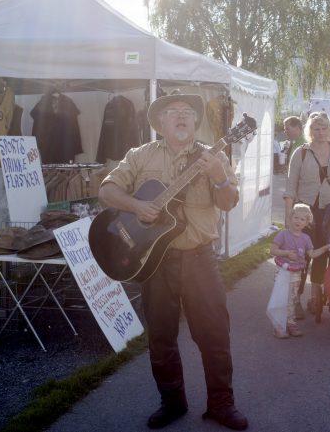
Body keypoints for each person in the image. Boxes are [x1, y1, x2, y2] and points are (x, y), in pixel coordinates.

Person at [98, 90, 248, 430]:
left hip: (199, 260)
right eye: (172, 111)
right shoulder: (140, 155)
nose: (180, 116)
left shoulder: (214, 157)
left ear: (195, 121)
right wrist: (137, 207)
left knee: (214, 336)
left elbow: (228, 202)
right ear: (161, 122)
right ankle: (172, 402)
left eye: (186, 111)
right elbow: (107, 190)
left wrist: (219, 177)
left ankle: (222, 404)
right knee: (161, 338)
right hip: (155, 262)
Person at [284, 111, 330, 315]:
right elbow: (290, 187)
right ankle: (295, 298)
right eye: (316, 128)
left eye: (324, 128)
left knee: (323, 254)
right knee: (301, 256)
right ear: (310, 131)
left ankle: (315, 298)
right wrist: (289, 218)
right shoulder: (301, 153)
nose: (321, 132)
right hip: (305, 212)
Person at [268, 204, 330, 338]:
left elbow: (312, 254)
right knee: (281, 298)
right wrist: (285, 253)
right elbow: (272, 250)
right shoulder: (283, 234)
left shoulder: (306, 238)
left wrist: (326, 248)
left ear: (307, 223)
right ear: (290, 218)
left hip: (296, 274)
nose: (298, 221)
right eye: (296, 217)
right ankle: (278, 326)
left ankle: (290, 323)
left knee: (292, 299)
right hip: (283, 272)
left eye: (303, 219)